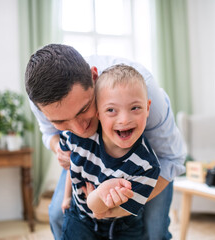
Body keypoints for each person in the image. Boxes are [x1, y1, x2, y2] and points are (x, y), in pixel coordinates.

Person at [25, 44, 186, 240]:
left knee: (155, 230)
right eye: (61, 121)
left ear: (94, 78)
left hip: (149, 167)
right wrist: (58, 147)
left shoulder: (145, 91)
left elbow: (172, 159)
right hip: (88, 158)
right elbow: (48, 133)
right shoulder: (39, 101)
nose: (79, 130)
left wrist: (116, 211)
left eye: (83, 110)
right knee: (59, 214)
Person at [60, 64, 160, 239]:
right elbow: (72, 165)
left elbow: (111, 211)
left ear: (148, 108)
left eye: (135, 108)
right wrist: (66, 197)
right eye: (111, 110)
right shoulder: (76, 137)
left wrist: (98, 200)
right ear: (97, 113)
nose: (124, 119)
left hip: (122, 223)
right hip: (80, 217)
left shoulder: (147, 166)